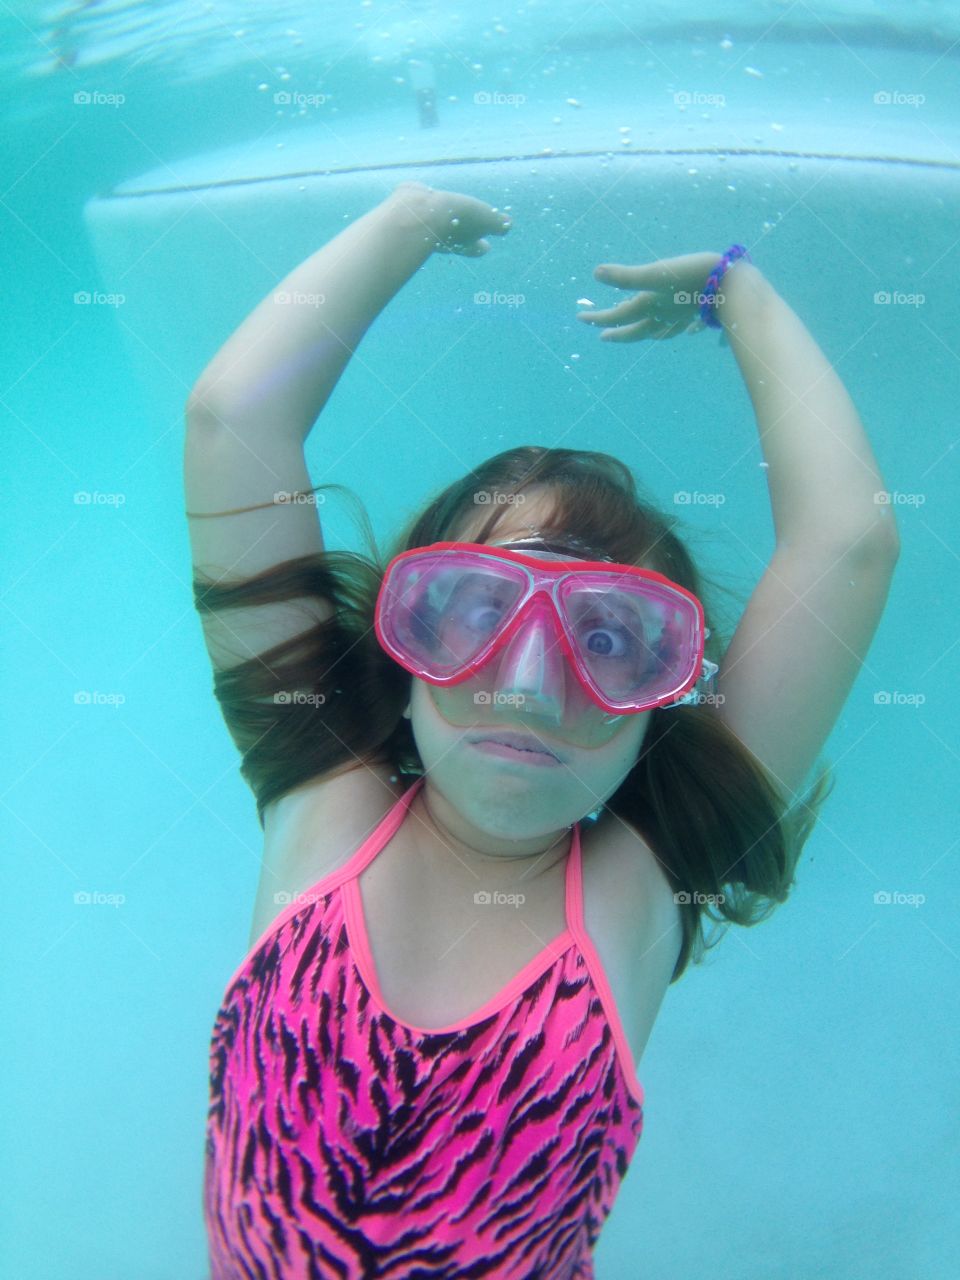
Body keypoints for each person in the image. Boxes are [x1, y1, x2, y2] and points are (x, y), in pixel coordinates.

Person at [185, 182, 899, 1278]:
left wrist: (738, 292)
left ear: (667, 697)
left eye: (610, 640)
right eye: (477, 608)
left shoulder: (643, 886)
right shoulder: (318, 784)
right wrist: (404, 221)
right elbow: (234, 418)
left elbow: (849, 548)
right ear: (402, 647)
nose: (528, 682)